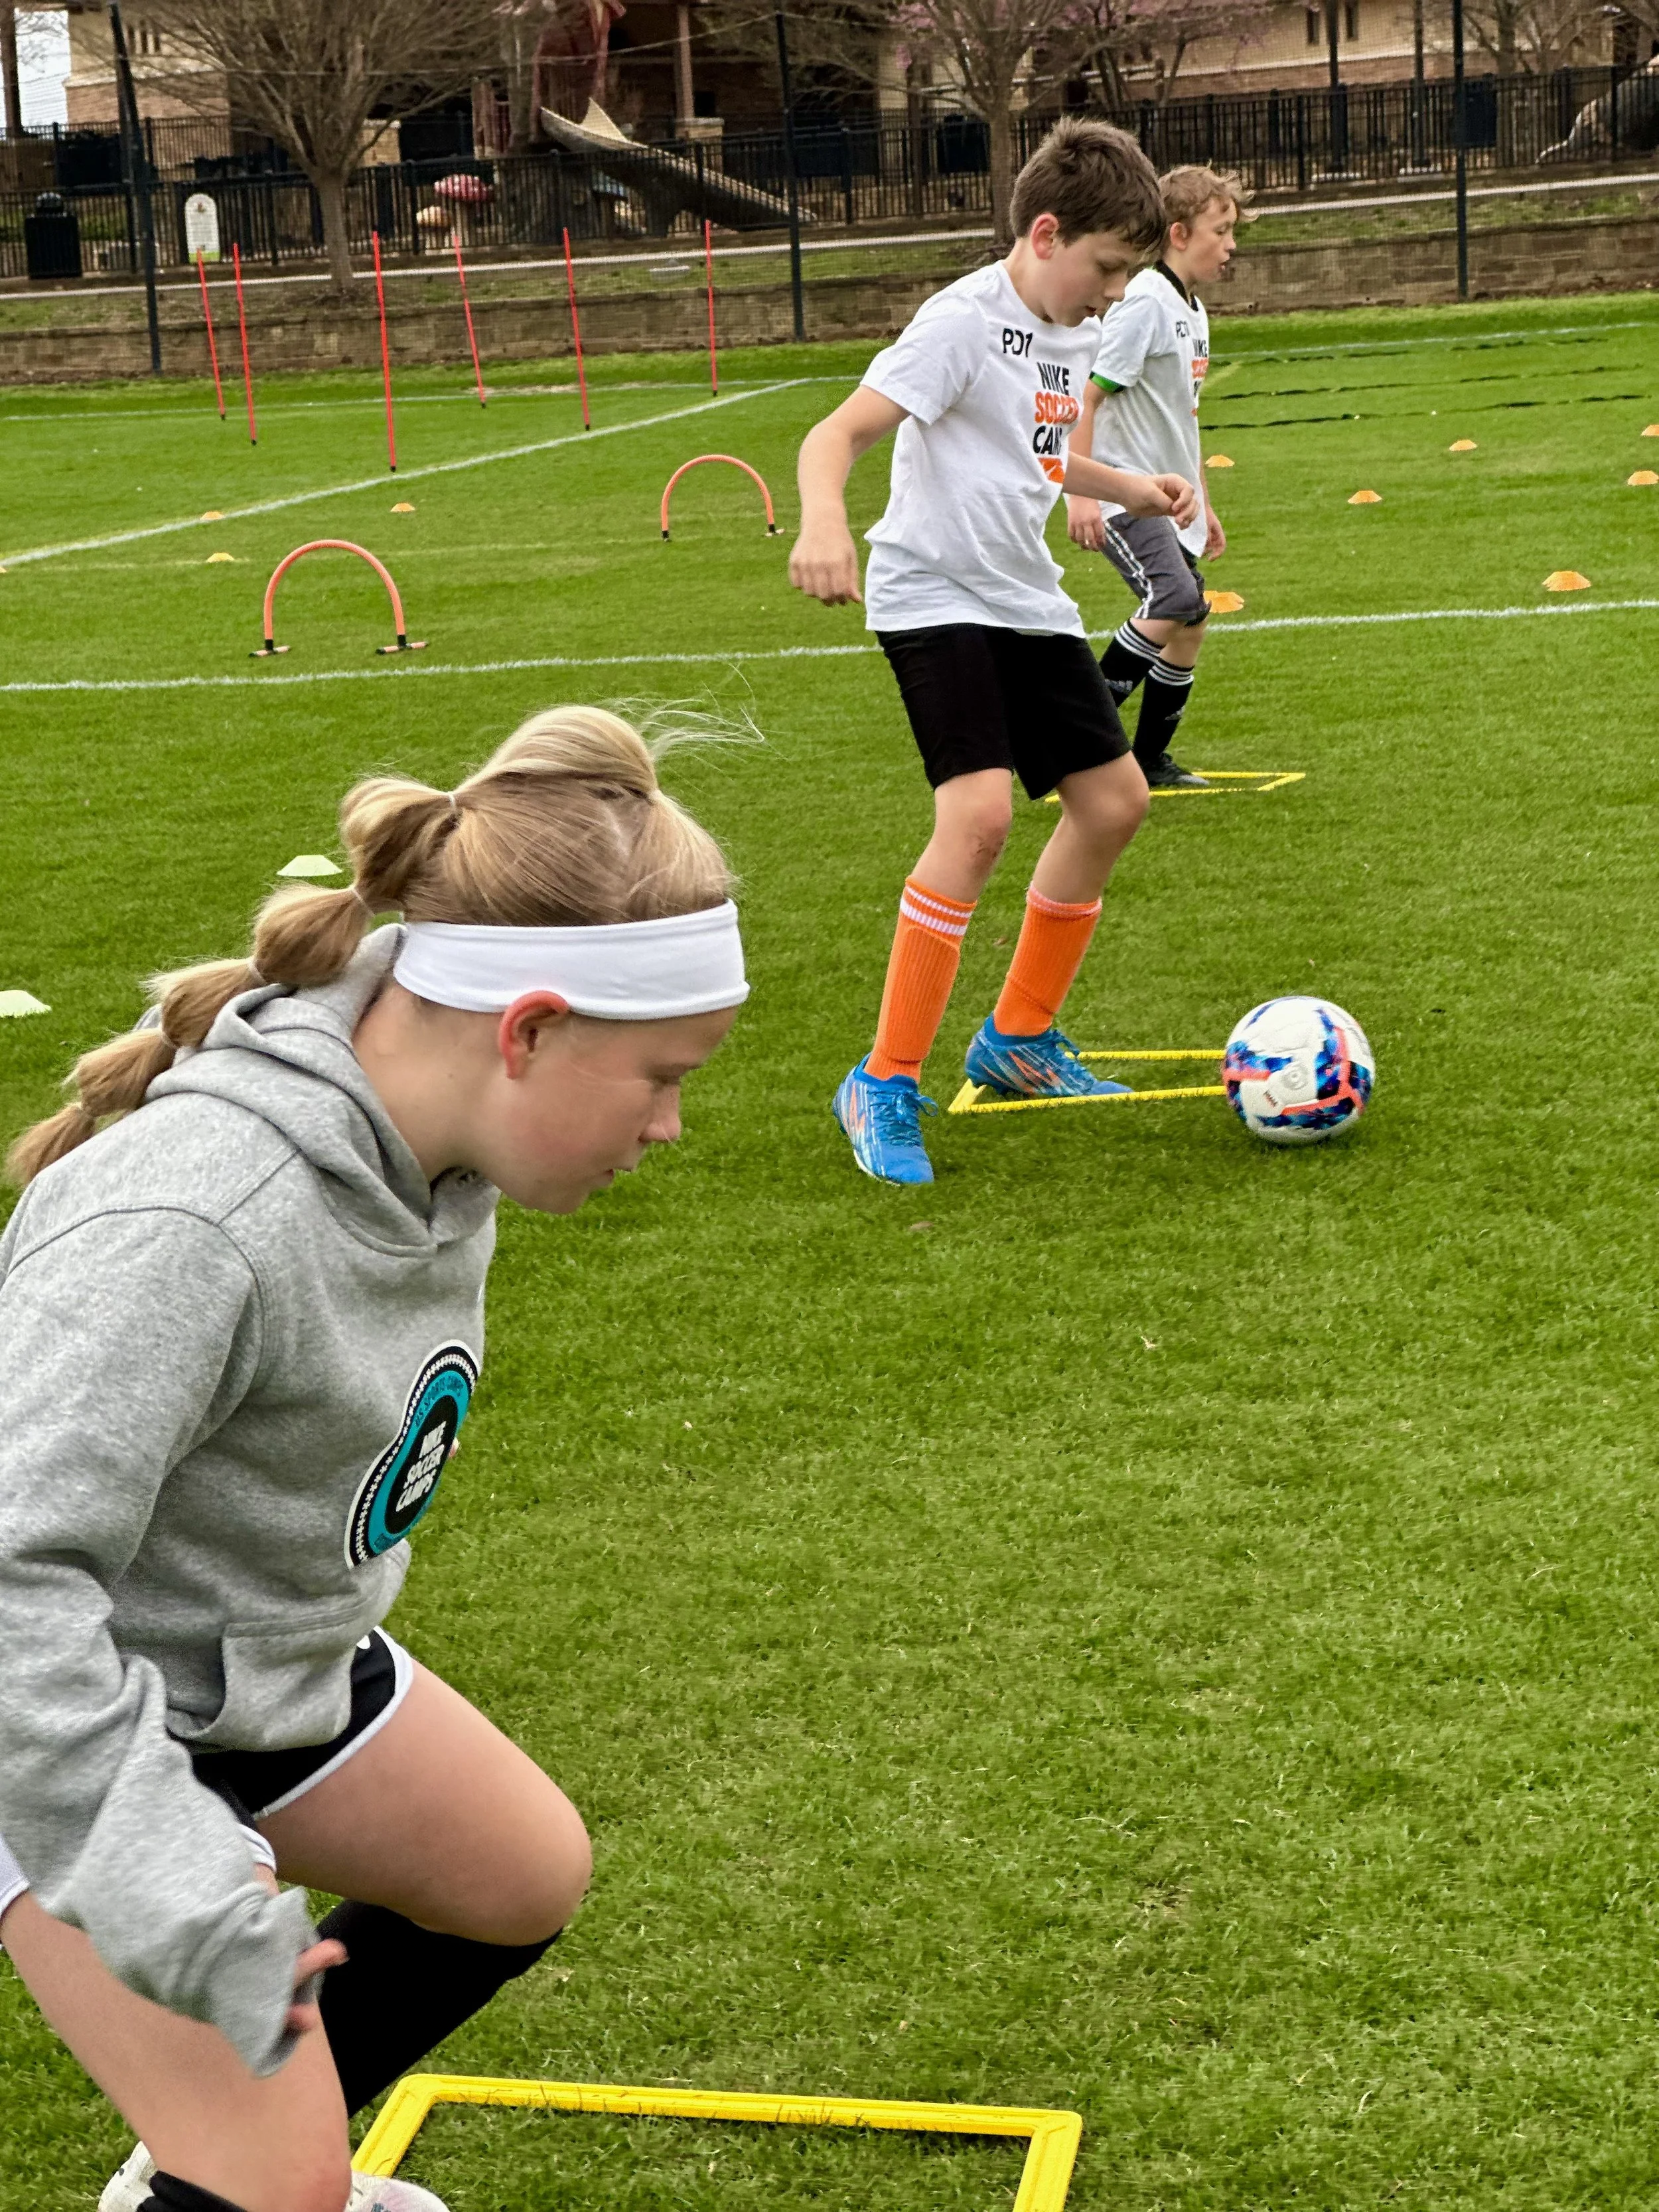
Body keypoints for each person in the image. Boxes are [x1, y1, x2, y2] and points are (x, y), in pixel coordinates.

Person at [0, 708, 749, 2212]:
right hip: (53, 1713)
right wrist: (180, 1890)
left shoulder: (429, 1130)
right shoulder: (195, 1220)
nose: (669, 1127)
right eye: (661, 1076)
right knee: (284, 2192)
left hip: (246, 1660)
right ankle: (237, 2177)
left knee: (514, 1878)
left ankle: (204, 2169)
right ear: (528, 1029)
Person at [788, 119, 1198, 1187]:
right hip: (931, 591)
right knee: (973, 820)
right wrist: (823, 523)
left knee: (1113, 803)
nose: (1113, 294)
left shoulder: (1069, 326)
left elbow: (1048, 453)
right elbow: (832, 436)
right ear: (1046, 234)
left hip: (1025, 597)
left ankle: (1017, 1042)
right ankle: (882, 1080)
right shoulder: (959, 323)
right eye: (1107, 269)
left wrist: (1132, 488)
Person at [1066, 165, 1251, 790]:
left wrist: (1207, 505)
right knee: (1174, 599)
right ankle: (1071, 735)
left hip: (1167, 500)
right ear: (1178, 232)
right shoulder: (1144, 302)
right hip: (1122, 495)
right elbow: (1085, 400)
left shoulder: (1192, 312)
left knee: (1191, 619)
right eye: (1220, 231)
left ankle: (1149, 761)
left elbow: (1183, 418)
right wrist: (1084, 497)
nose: (1231, 245)